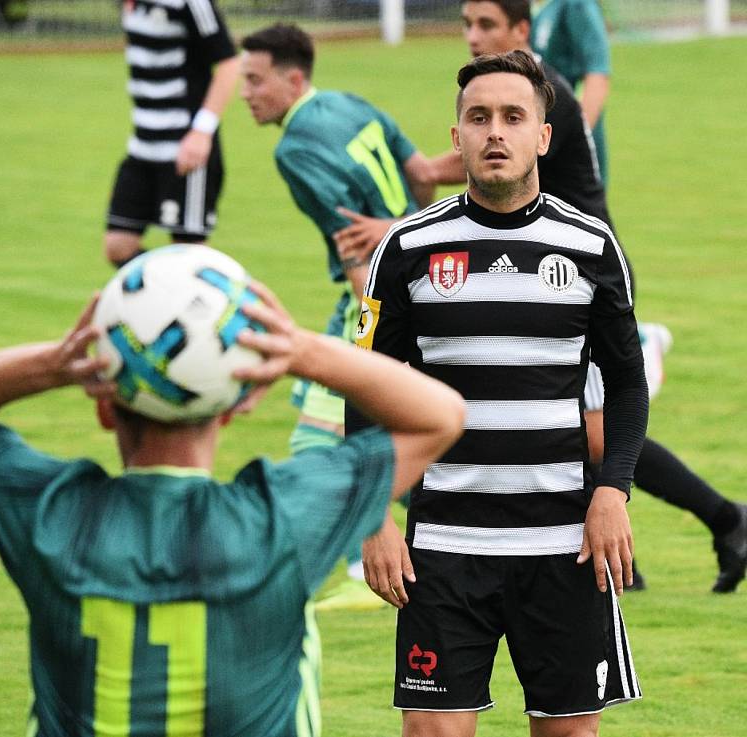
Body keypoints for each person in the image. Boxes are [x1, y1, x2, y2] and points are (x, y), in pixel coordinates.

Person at [0, 250, 465, 737]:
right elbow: (438, 415)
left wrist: (58, 363)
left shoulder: (51, 517)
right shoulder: (279, 520)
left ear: (105, 410)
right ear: (236, 407)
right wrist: (300, 350)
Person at [338, 0, 747, 593]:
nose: (473, 38)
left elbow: (481, 170)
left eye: (487, 26)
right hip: (523, 270)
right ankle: (639, 533)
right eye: (467, 25)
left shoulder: (537, 93)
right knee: (555, 423)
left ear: (521, 33)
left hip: (565, 280)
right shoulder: (517, 97)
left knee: (582, 428)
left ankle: (721, 518)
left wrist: (401, 211)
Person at [350, 51, 648, 736]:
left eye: (514, 117)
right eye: (478, 117)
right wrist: (373, 516)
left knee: (569, 731)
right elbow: (364, 390)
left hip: (565, 547)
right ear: (454, 137)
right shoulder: (404, 247)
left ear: (543, 135)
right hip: (443, 549)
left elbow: (627, 385)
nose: (495, 132)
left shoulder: (592, 247)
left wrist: (614, 490)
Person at [239, 23, 460, 606]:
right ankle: (437, 540)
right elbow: (421, 176)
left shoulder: (295, 149)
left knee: (322, 439)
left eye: (256, 80)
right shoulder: (349, 102)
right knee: (351, 433)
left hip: (374, 300)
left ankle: (365, 572)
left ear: (293, 79)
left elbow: (355, 249)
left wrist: (373, 329)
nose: (245, 93)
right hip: (418, 280)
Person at [104, 0, 240, 267]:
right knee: (118, 246)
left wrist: (202, 131)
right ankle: (165, 296)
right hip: (142, 145)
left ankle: (228, 300)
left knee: (188, 256)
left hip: (184, 146)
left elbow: (228, 63)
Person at [530, 0, 611, 184]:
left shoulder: (577, 5)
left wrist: (576, 139)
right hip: (545, 136)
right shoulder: (542, 8)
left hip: (567, 141)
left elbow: (597, 76)